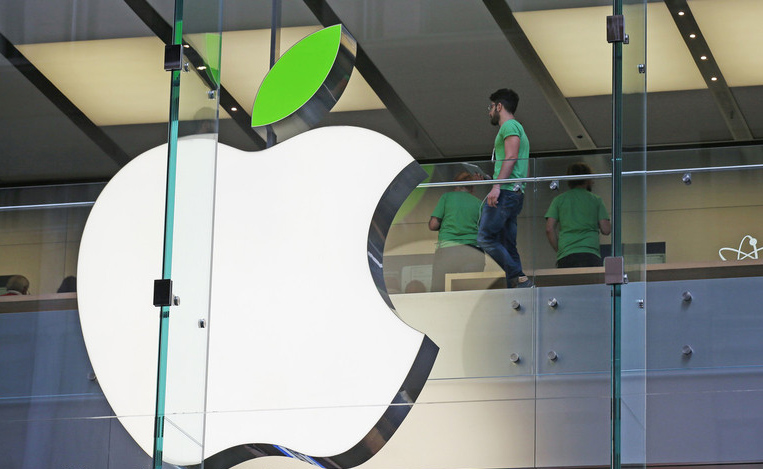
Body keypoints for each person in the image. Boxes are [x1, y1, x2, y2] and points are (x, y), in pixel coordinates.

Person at [477, 88, 532, 288]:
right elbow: (517, 165)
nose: (489, 112)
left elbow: (511, 157)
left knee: (485, 237)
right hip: (514, 191)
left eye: (491, 107)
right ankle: (518, 288)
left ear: (499, 106)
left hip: (507, 191)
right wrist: (492, 180)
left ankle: (519, 277)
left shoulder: (509, 126)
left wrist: (497, 185)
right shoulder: (518, 128)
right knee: (508, 244)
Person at [545, 162, 611, 268]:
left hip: (566, 254)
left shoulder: (559, 200)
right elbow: (606, 229)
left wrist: (560, 250)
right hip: (590, 253)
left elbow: (549, 228)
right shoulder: (596, 200)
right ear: (587, 179)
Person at [428, 171, 486, 292]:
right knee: (470, 293)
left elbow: (433, 225)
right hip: (474, 252)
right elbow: (485, 231)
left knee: (440, 291)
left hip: (448, 251)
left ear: (456, 186)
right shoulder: (480, 203)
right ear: (473, 188)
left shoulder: (447, 197)